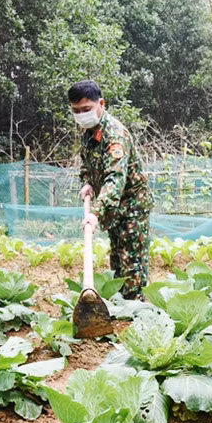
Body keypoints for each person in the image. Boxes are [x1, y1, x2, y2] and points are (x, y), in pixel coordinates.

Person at [69, 79, 153, 299]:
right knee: (117, 259)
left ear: (101, 104)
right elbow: (87, 163)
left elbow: (115, 179)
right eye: (76, 111)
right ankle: (121, 304)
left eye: (86, 109)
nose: (81, 115)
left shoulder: (115, 135)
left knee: (132, 264)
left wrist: (95, 213)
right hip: (114, 208)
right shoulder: (89, 132)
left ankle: (136, 309)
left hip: (132, 207)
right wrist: (87, 182)